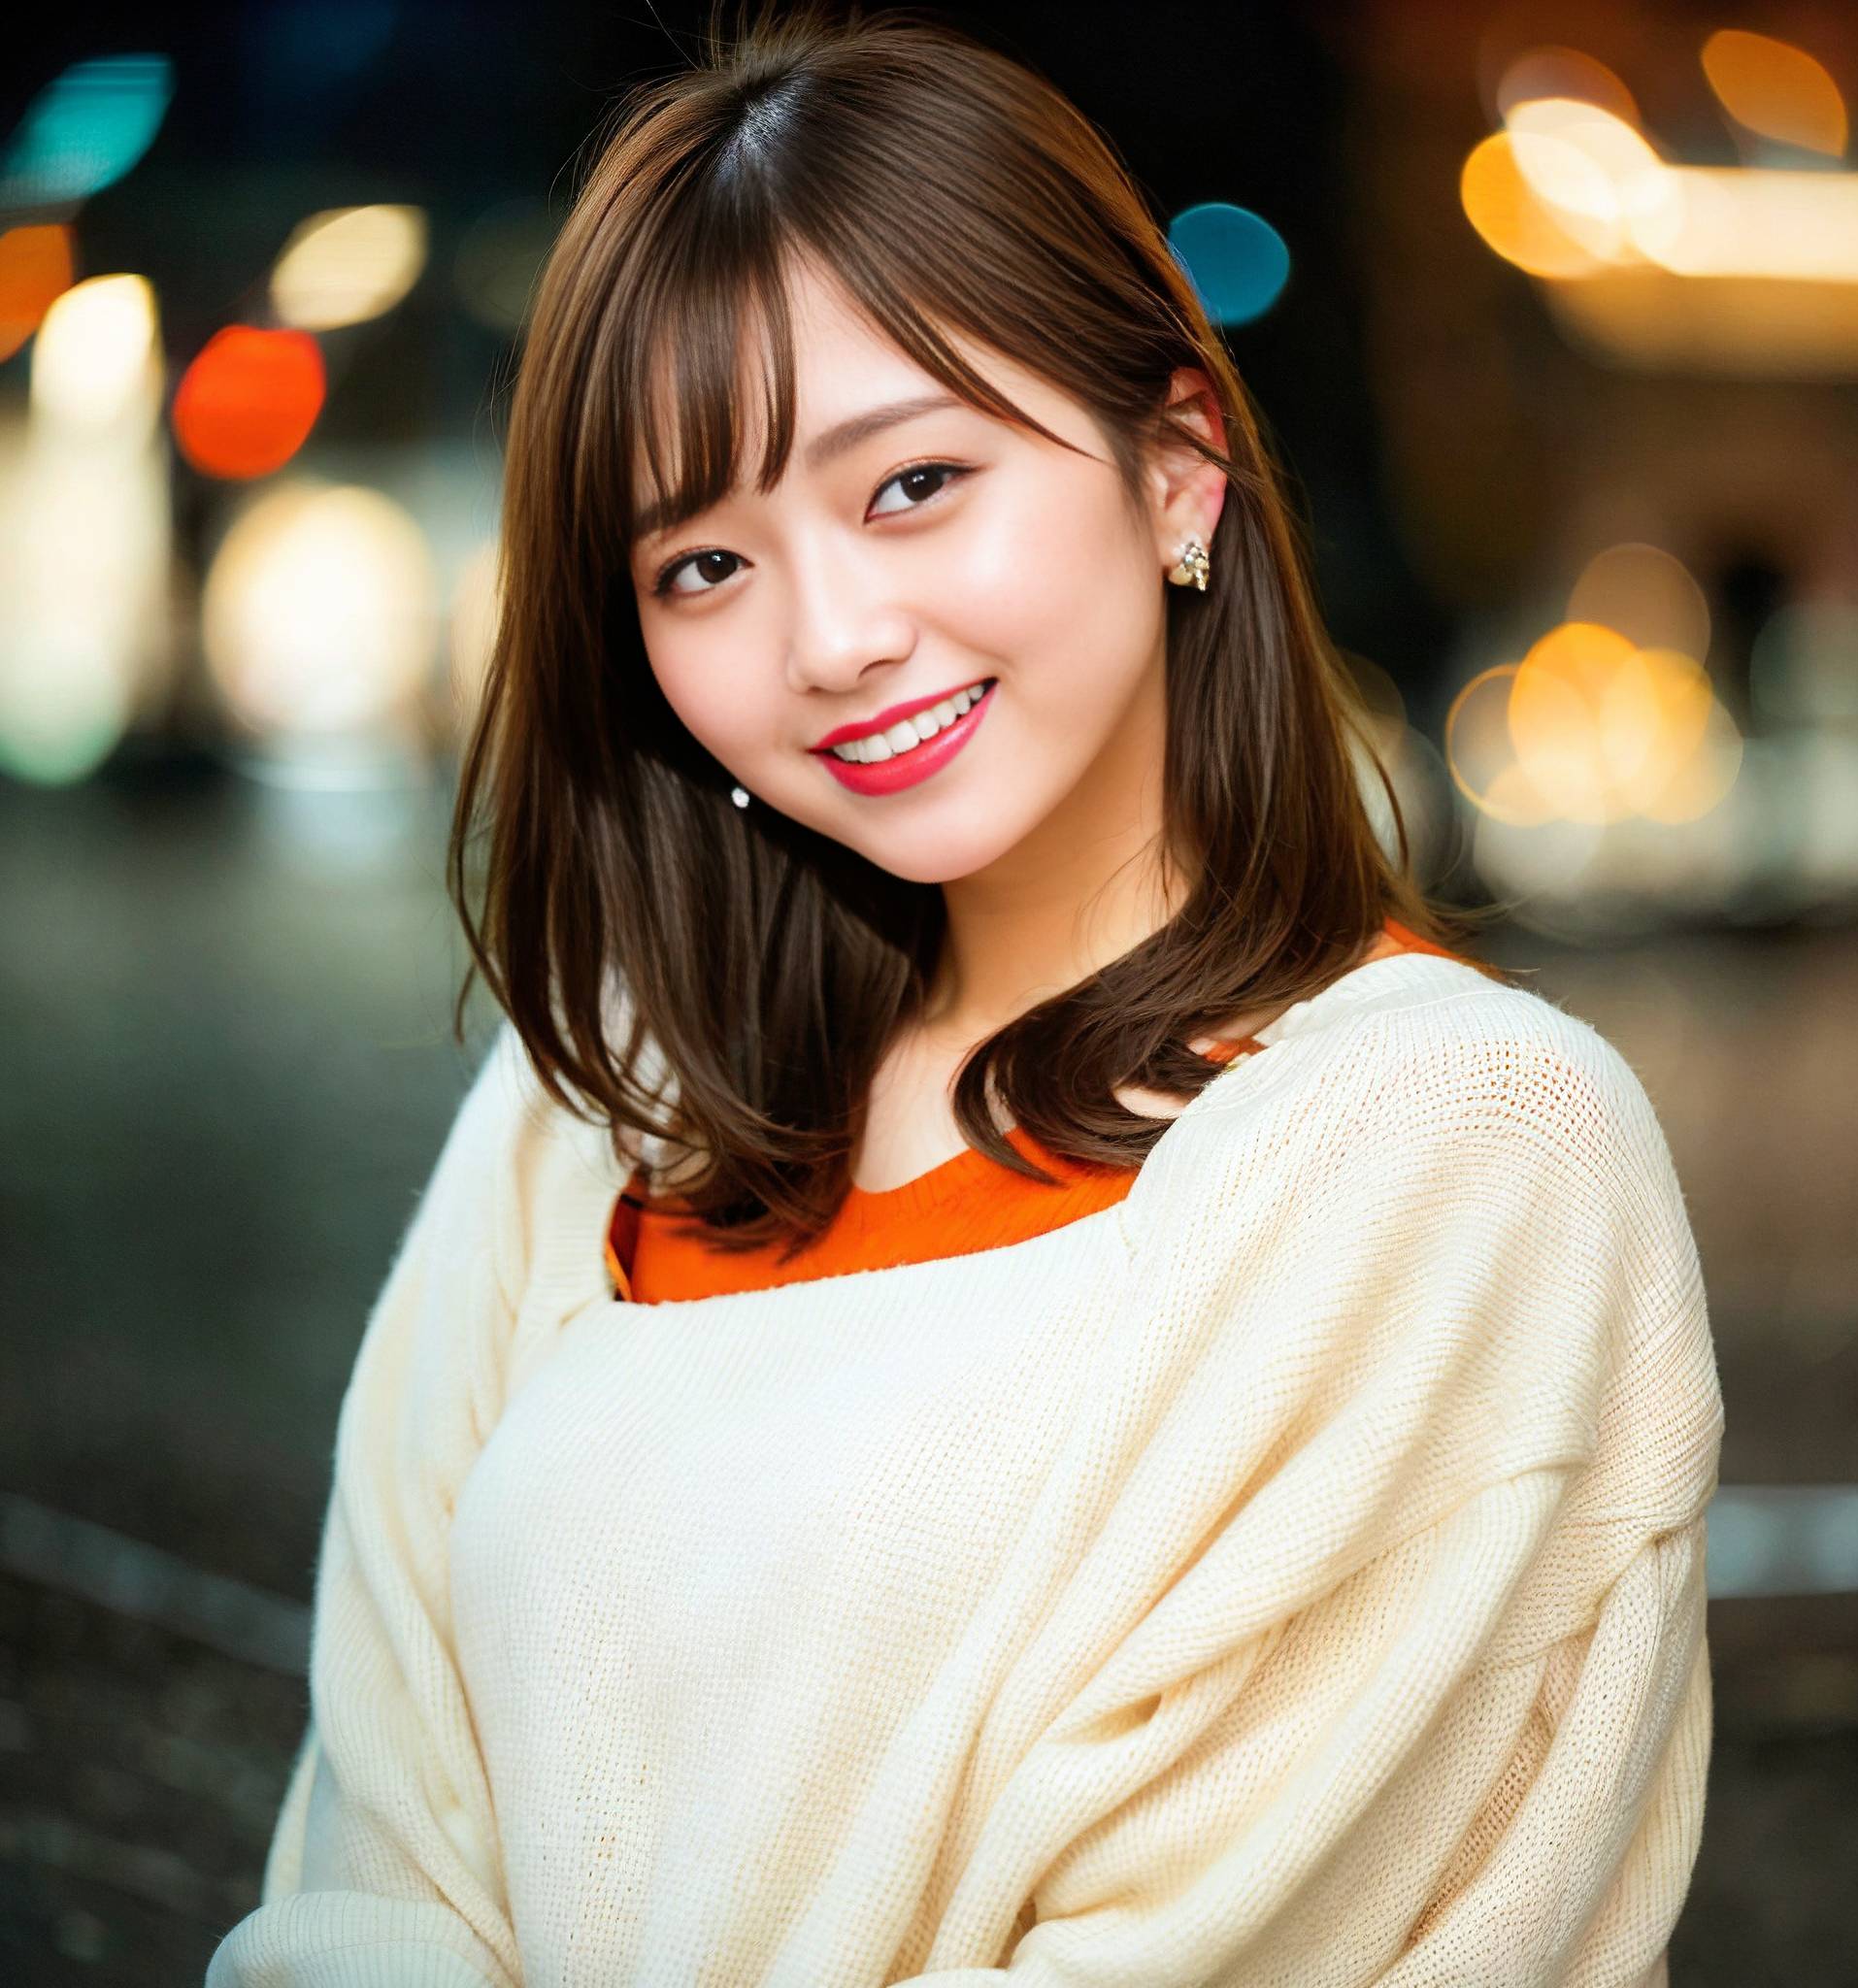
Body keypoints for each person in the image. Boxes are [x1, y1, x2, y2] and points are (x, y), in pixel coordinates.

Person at [208, 6, 1724, 1984]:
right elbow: (371, 1863)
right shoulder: (613, 1095)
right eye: (701, 567)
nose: (830, 637)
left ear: (1177, 466)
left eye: (910, 482)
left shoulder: (1453, 1140)